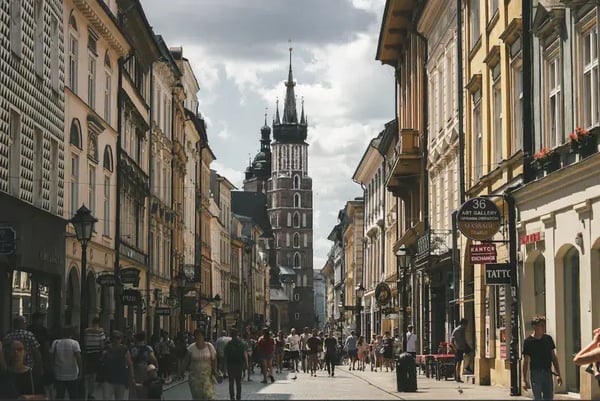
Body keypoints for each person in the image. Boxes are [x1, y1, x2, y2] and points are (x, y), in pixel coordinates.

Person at [522, 315, 562, 400]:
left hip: (547, 373)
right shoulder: (528, 342)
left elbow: (553, 357)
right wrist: (524, 380)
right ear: (535, 327)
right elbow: (525, 361)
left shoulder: (548, 339)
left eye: (544, 325)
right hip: (536, 374)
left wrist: (558, 374)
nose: (544, 328)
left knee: (549, 397)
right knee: (537, 397)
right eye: (542, 326)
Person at [181, 329, 219, 400]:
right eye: (196, 335)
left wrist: (215, 371)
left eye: (200, 335)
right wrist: (181, 371)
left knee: (209, 397)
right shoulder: (191, 348)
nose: (198, 337)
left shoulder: (209, 346)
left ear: (203, 336)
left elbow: (214, 359)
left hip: (207, 377)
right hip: (195, 378)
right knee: (198, 397)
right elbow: (185, 360)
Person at [100, 331, 135, 400]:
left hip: (120, 379)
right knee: (106, 397)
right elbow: (101, 361)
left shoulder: (124, 349)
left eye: (118, 338)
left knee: (119, 398)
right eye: (114, 338)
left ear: (121, 339)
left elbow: (130, 364)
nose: (116, 340)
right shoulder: (107, 348)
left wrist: (132, 377)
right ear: (111, 339)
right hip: (108, 378)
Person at [50, 326, 82, 400]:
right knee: (73, 395)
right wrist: (80, 371)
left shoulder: (55, 342)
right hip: (72, 373)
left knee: (59, 395)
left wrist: (52, 369)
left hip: (59, 373)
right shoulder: (74, 343)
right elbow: (78, 358)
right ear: (71, 334)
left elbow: (51, 357)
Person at [27, 312, 52, 398]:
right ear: (37, 319)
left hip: (30, 360)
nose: (42, 321)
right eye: (41, 319)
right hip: (39, 359)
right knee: (42, 383)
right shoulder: (43, 330)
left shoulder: (28, 329)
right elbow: (46, 346)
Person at [130, 331, 159, 398]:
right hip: (145, 370)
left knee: (134, 391)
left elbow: (129, 361)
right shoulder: (148, 348)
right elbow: (154, 359)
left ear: (136, 339)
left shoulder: (132, 349)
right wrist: (157, 367)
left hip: (134, 370)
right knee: (144, 389)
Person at [83, 316, 106, 399]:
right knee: (93, 374)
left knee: (88, 373)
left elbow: (85, 342)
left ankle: (87, 390)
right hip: (96, 354)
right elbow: (102, 344)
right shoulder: (100, 331)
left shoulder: (86, 331)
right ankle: (90, 393)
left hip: (88, 353)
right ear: (98, 323)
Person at [224, 328, 246, 401]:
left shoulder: (229, 344)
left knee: (231, 382)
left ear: (231, 335)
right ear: (237, 334)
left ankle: (232, 397)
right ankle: (238, 397)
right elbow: (243, 355)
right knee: (238, 382)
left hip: (231, 365)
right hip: (239, 365)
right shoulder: (241, 343)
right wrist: (245, 364)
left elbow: (225, 356)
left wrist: (225, 367)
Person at [451, 318, 471, 383]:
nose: (466, 326)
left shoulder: (463, 329)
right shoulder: (456, 330)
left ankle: (467, 366)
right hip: (459, 348)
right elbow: (451, 340)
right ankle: (457, 376)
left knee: (471, 353)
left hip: (464, 346)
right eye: (465, 325)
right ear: (462, 324)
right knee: (458, 363)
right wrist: (454, 348)